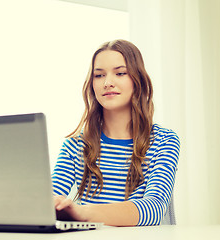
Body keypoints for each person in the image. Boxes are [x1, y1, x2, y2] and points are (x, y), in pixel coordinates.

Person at [52, 39, 180, 227]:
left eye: (120, 73)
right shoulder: (75, 144)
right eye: (99, 75)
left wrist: (81, 212)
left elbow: (154, 208)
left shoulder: (164, 141)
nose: (107, 83)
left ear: (138, 80)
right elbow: (51, 201)